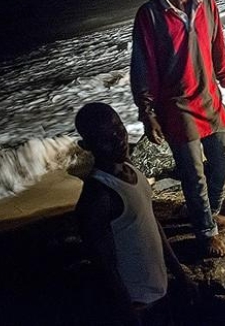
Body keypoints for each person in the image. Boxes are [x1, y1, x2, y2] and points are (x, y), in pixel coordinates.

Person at [130, 0, 225, 258]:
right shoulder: (150, 14)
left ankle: (208, 213)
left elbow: (219, 48)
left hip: (209, 98)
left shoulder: (207, 3)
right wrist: (147, 112)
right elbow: (143, 67)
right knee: (193, 173)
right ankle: (206, 232)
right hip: (176, 106)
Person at [74, 102, 196, 326]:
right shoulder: (98, 196)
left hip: (160, 291)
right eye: (105, 138)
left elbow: (151, 222)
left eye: (118, 128)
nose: (118, 139)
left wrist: (178, 272)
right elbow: (105, 266)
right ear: (86, 145)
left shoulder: (131, 169)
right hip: (139, 305)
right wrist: (129, 315)